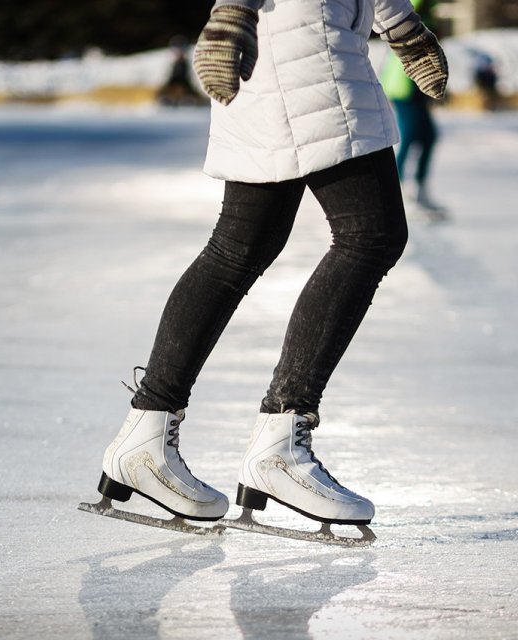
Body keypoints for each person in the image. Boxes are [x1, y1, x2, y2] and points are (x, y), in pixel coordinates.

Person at [89, 0, 447, 540]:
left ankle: (147, 434)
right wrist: (230, 12)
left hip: (297, 53)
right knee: (369, 236)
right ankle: (279, 444)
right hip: (308, 58)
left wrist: (400, 23)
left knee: (241, 248)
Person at [380, 0, 445, 215]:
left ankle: (419, 189)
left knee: (428, 137)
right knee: (409, 136)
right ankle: (396, 193)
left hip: (415, 82)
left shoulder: (428, 11)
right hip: (404, 84)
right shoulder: (415, 6)